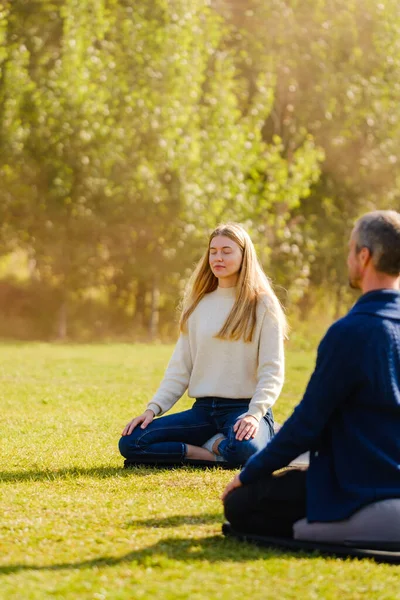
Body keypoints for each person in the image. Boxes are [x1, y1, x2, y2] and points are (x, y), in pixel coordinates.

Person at [223, 210, 400, 544]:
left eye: (351, 250)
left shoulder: (351, 332)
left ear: (365, 257)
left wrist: (249, 474)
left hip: (360, 485)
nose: (348, 258)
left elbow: (306, 425)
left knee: (240, 504)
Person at [119, 223, 287, 467]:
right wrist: (152, 410)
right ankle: (207, 451)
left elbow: (272, 370)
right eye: (213, 251)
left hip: (244, 409)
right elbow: (180, 368)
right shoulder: (198, 305)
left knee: (245, 449)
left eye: (227, 251)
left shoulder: (263, 305)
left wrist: (255, 414)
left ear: (244, 255)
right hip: (204, 412)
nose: (218, 257)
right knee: (131, 441)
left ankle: (242, 438)